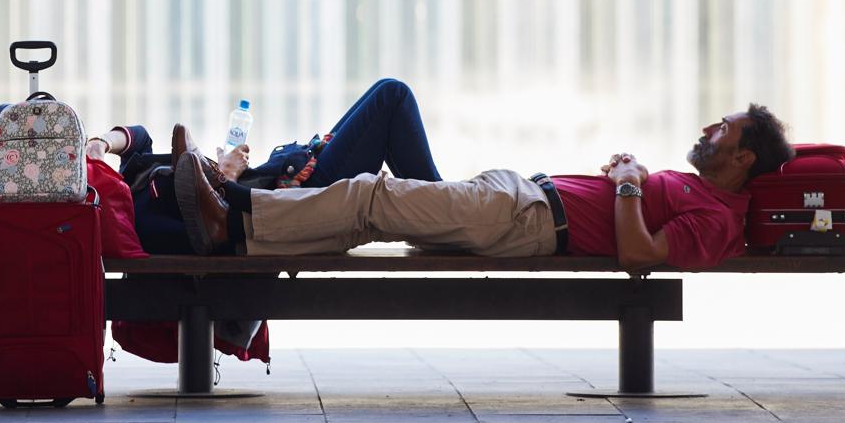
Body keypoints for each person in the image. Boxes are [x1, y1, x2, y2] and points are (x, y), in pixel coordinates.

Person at [176, 104, 795, 271]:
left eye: (724, 129)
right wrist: (624, 177)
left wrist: (630, 186)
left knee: (371, 194)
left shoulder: (719, 221)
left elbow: (638, 255)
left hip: (524, 220)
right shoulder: (701, 192)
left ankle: (229, 214)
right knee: (372, 216)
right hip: (520, 199)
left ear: (742, 157)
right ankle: (239, 238)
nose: (710, 129)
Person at [83, 78, 442, 255]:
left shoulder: (133, 176)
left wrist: (98, 144)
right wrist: (224, 177)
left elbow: (138, 136)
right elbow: (202, 237)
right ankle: (447, 213)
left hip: (288, 177)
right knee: (392, 96)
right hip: (293, 202)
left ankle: (443, 209)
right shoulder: (135, 215)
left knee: (384, 90)